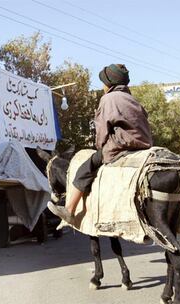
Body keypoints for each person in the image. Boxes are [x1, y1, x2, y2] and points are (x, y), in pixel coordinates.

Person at [48, 64, 153, 224]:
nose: (103, 86)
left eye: (103, 83)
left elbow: (102, 130)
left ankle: (69, 210)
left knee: (86, 167)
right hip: (145, 144)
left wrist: (99, 147)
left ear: (109, 83)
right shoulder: (132, 99)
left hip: (122, 145)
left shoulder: (108, 99)